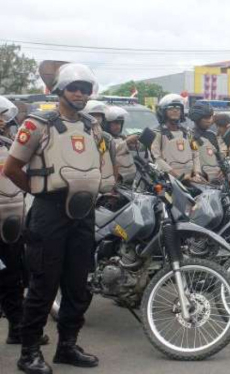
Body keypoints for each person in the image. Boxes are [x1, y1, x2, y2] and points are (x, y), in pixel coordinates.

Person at [3, 63, 102, 374]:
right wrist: (37, 191)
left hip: (83, 213)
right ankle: (29, 351)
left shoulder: (90, 126)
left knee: (78, 285)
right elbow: (12, 169)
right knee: (43, 284)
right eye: (74, 87)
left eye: (86, 89)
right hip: (49, 213)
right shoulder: (37, 125)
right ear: (60, 90)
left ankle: (67, 346)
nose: (80, 94)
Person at [0, 96, 49, 347]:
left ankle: (16, 329)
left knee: (15, 277)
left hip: (12, 223)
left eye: (2, 118)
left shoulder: (10, 146)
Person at [150, 94, 205, 183]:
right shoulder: (158, 133)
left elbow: (195, 153)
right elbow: (157, 158)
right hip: (169, 181)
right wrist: (177, 176)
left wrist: (197, 173)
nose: (175, 110)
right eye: (171, 108)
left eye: (178, 108)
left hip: (190, 180)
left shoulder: (188, 133)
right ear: (163, 111)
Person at [81, 100, 116, 193]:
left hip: (103, 181)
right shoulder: (78, 134)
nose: (96, 118)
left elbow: (112, 162)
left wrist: (114, 186)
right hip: (84, 181)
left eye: (99, 115)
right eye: (93, 115)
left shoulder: (106, 137)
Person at [103, 106, 137, 185]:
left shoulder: (121, 137)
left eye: (120, 123)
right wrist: (127, 142)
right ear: (107, 124)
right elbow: (109, 151)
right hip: (116, 180)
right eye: (115, 123)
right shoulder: (104, 138)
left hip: (129, 179)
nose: (118, 126)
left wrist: (133, 144)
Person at [189, 102, 222, 181]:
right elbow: (192, 158)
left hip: (217, 181)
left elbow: (219, 156)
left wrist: (223, 170)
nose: (210, 120)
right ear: (197, 118)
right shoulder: (190, 137)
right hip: (199, 181)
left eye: (211, 117)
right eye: (206, 118)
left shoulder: (212, 135)